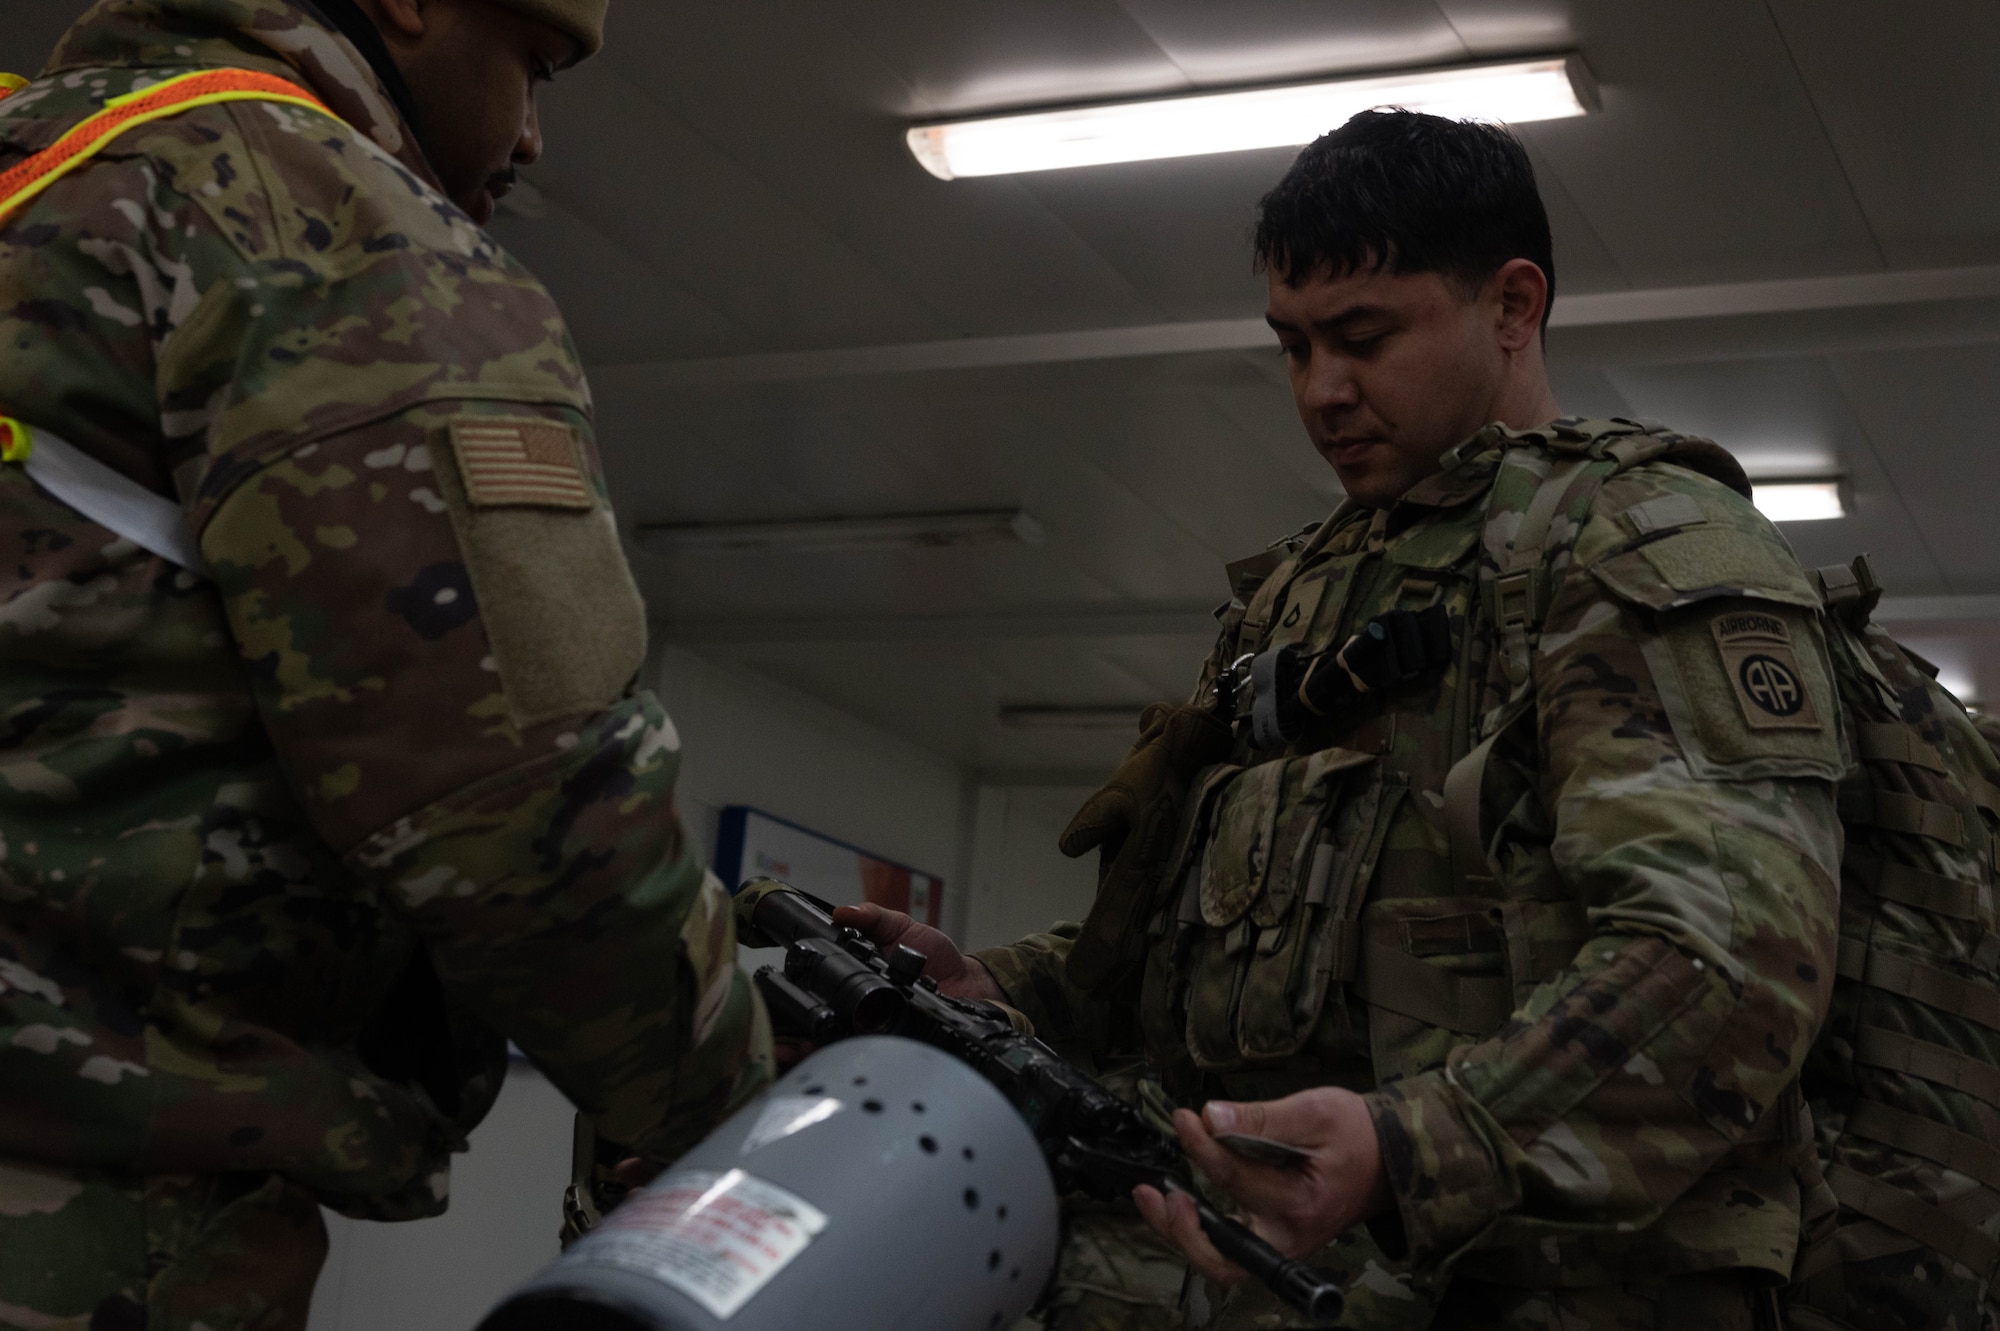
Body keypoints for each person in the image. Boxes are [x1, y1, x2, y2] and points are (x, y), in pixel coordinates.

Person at [844, 110, 1844, 1330]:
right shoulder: (1298, 594)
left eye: (1363, 337)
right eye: (1292, 345)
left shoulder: (1633, 544)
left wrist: (1410, 1143)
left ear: (1512, 306)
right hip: (1292, 1284)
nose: (1320, 390)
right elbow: (1190, 957)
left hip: (1572, 1289)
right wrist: (999, 992)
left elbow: (1729, 959)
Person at [0, 1, 769, 1327]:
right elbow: (524, 801)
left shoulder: (39, 166)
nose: (531, 135)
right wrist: (739, 1105)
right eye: (532, 63)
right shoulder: (315, 218)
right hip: (76, 1220)